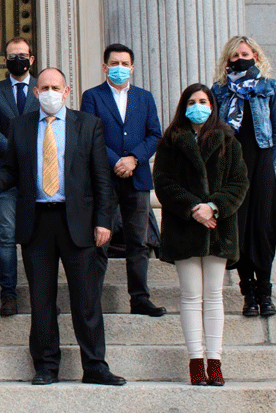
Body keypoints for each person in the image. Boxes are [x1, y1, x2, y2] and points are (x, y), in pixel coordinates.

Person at [0, 68, 125, 386]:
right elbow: (10, 173)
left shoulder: (88, 125)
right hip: (37, 222)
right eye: (44, 87)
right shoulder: (20, 126)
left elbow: (101, 178)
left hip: (79, 223)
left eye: (56, 87)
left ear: (67, 91)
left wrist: (103, 221)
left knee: (86, 299)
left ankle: (95, 365)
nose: (50, 92)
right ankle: (46, 366)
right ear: (36, 92)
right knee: (42, 300)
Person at [154, 83, 248, 387]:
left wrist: (214, 207)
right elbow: (164, 183)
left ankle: (215, 361)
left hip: (219, 229)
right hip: (184, 229)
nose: (198, 106)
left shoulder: (228, 140)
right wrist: (194, 207)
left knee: (214, 296)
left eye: (203, 101)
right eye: (192, 101)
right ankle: (196, 360)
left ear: (212, 105)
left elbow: (239, 182)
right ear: (184, 105)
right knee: (191, 296)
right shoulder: (170, 142)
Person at [80, 43, 166, 317]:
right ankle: (91, 299)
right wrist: (116, 160)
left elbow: (155, 134)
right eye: (113, 63)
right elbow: (90, 133)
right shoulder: (92, 96)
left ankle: (139, 298)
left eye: (124, 63)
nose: (119, 68)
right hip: (104, 178)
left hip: (137, 178)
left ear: (132, 67)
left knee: (138, 242)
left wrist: (133, 159)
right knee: (100, 240)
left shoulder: (145, 97)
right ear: (105, 67)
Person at [211, 35, 276, 318]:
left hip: (262, 164)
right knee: (239, 229)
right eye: (235, 55)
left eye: (245, 53)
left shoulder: (269, 87)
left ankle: (265, 290)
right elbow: (213, 131)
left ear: (255, 55)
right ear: (228, 60)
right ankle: (248, 292)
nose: (240, 58)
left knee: (263, 227)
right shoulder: (218, 91)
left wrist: (270, 163)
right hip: (232, 168)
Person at [0, 36, 40, 317]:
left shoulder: (44, 89)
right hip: (4, 172)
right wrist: (17, 149)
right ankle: (8, 294)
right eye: (12, 55)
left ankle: (41, 290)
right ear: (5, 61)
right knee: (6, 235)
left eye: (23, 54)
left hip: (39, 175)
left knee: (36, 235)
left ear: (31, 59)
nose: (18, 59)